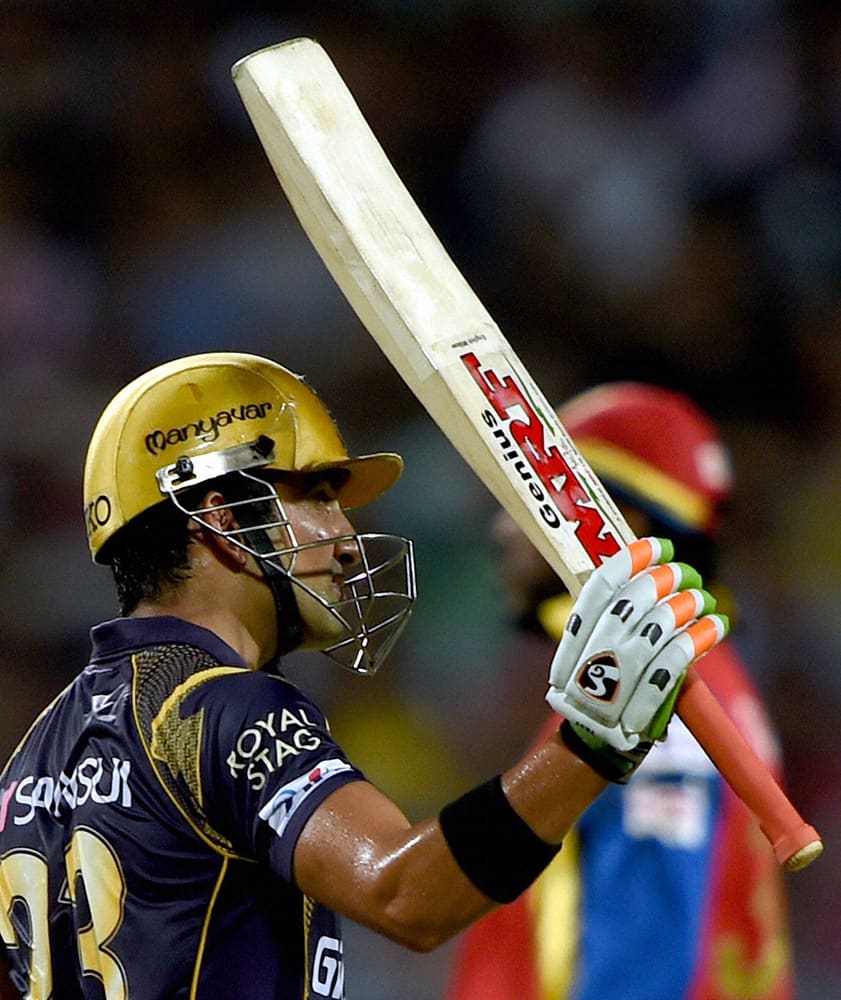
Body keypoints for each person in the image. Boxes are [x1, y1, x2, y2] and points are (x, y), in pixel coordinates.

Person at [0, 354, 727, 999]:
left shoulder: (31, 759)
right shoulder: (224, 708)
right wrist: (589, 744)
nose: (346, 539)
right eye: (316, 495)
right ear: (218, 516)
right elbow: (403, 893)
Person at [447, 382, 794, 1000]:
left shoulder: (655, 705)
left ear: (617, 524)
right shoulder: (706, 686)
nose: (502, 531)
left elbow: (640, 975)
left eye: (527, 500)